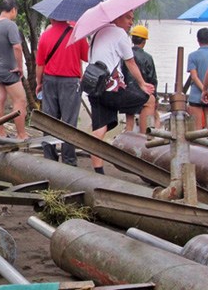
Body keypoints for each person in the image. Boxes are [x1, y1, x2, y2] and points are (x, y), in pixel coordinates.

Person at [85, 10, 155, 174]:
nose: (131, 22)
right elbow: (130, 62)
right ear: (116, 17)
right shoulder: (119, 33)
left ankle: (98, 171)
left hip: (94, 86)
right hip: (111, 89)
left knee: (99, 129)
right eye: (127, 18)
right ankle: (146, 142)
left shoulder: (97, 32)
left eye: (132, 18)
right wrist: (143, 84)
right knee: (149, 100)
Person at [35, 17, 89, 164]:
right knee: (69, 122)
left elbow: (40, 65)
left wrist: (39, 83)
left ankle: (50, 157)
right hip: (70, 82)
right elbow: (87, 56)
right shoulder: (77, 34)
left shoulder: (45, 35)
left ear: (52, 18)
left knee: (49, 120)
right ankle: (69, 159)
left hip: (50, 80)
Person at [0, 0, 30, 140]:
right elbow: (17, 47)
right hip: (9, 70)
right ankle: (21, 134)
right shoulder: (10, 26)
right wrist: (20, 67)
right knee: (20, 101)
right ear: (13, 9)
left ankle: (0, 132)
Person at [122, 25, 158, 131]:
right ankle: (143, 136)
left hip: (126, 93)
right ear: (144, 41)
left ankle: (126, 141)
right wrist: (154, 97)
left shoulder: (124, 55)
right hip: (142, 95)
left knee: (129, 123)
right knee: (148, 107)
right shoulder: (147, 58)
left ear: (132, 39)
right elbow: (152, 79)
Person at [186, 27, 208, 131]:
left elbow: (194, 77)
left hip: (196, 96)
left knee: (196, 130)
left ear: (198, 40)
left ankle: (197, 147)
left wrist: (204, 91)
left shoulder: (192, 56)